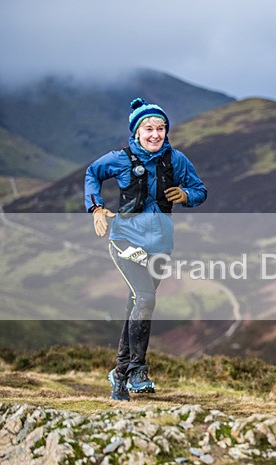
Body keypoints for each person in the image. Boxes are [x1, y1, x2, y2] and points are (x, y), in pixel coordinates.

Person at [85, 98, 207, 401]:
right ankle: (135, 371)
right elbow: (92, 174)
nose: (155, 134)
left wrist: (186, 195)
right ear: (136, 132)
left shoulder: (176, 160)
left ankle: (120, 375)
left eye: (161, 128)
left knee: (137, 306)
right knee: (146, 299)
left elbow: (200, 190)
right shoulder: (120, 159)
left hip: (161, 246)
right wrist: (96, 207)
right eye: (149, 128)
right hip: (125, 241)